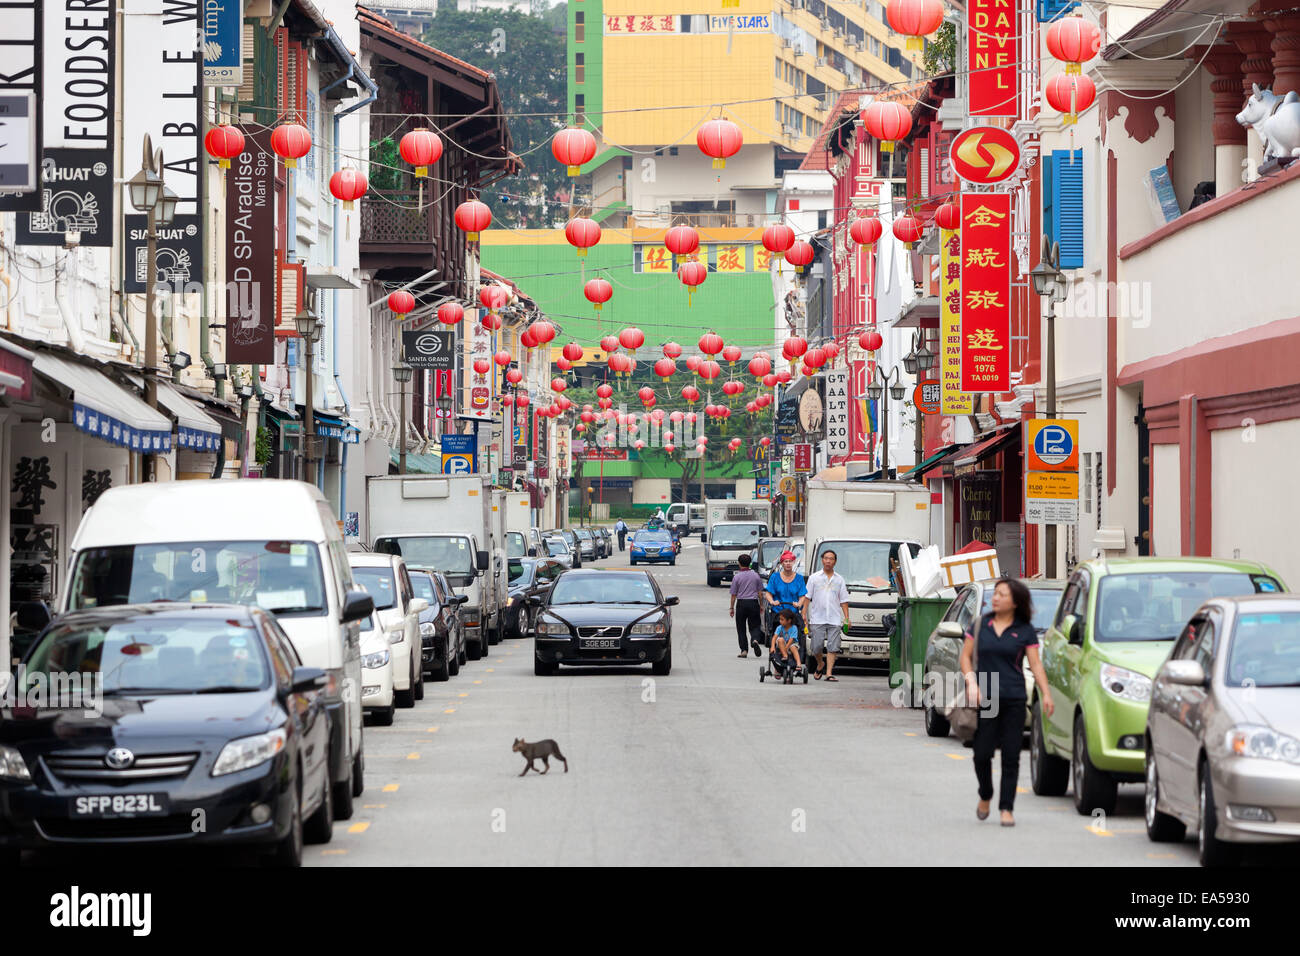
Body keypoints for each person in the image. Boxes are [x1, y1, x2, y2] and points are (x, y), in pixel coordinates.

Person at [959, 577, 1054, 827]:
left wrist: (1046, 694)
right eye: (996, 593)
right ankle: (986, 794)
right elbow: (965, 658)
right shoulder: (981, 624)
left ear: (1015, 602)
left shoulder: (1025, 630)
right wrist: (971, 682)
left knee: (1011, 754)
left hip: (1014, 697)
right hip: (986, 695)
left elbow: (1035, 665)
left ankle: (1006, 808)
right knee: (982, 753)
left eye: (1002, 594)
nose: (996, 597)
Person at [805, 549, 849, 682]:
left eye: (831, 559)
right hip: (817, 617)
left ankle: (829, 673)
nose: (828, 561)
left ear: (835, 561)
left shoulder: (839, 579)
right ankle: (820, 664)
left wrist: (847, 617)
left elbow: (844, 600)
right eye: (826, 558)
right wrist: (803, 614)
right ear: (822, 560)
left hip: (834, 618)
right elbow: (807, 597)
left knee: (833, 646)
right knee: (816, 646)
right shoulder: (814, 578)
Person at [763, 550, 807, 640]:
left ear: (793, 562)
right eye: (786, 561)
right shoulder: (775, 577)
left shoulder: (799, 578)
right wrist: (772, 601)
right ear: (782, 563)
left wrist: (799, 604)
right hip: (778, 612)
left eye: (790, 561)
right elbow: (768, 593)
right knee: (774, 629)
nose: (788, 564)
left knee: (800, 631)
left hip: (793, 611)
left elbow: (802, 596)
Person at [729, 553, 764, 658]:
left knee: (741, 627)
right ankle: (755, 639)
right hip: (753, 603)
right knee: (755, 625)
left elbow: (733, 594)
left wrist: (731, 607)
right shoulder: (756, 575)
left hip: (741, 603)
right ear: (750, 564)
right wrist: (761, 605)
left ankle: (744, 650)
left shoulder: (737, 577)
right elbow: (760, 593)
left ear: (739, 563)